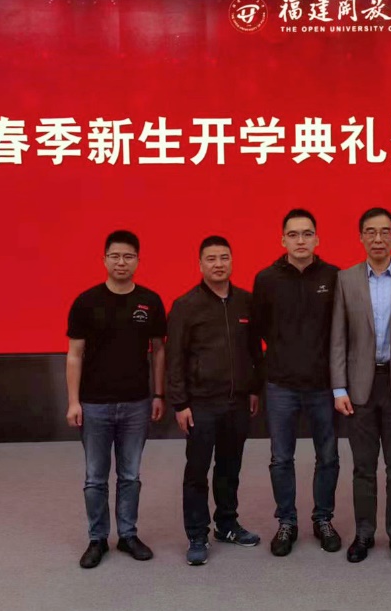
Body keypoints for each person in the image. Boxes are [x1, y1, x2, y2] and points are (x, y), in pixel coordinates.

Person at [330, 207, 391, 566]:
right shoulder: (346, 279)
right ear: (360, 237)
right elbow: (338, 338)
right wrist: (339, 388)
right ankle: (364, 533)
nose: (377, 239)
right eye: (370, 232)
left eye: (385, 232)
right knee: (363, 467)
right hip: (359, 388)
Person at [65, 230, 167, 569]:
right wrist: (74, 401)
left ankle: (127, 534)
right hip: (94, 404)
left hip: (137, 403)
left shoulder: (150, 301)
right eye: (115, 256)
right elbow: (74, 355)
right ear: (104, 259)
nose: (121, 262)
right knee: (95, 477)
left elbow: (159, 350)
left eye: (128, 256)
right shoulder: (86, 302)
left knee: (130, 475)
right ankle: (97, 538)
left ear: (138, 260)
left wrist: (158, 394)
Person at [165, 235, 262, 566]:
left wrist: (254, 389)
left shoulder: (246, 302)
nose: (218, 264)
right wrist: (180, 403)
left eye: (224, 258)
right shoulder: (185, 305)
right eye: (211, 259)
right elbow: (174, 358)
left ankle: (227, 525)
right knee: (197, 470)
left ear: (232, 261)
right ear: (200, 264)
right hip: (201, 404)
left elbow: (254, 350)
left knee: (230, 467)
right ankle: (196, 534)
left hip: (238, 402)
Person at [251, 209, 342, 556]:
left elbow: (341, 330)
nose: (300, 240)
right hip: (281, 385)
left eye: (307, 234)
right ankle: (286, 521)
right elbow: (258, 329)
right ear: (282, 240)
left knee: (328, 456)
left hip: (323, 385)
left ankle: (323, 519)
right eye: (293, 234)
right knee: (280, 458)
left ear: (317, 239)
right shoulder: (266, 279)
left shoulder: (334, 276)